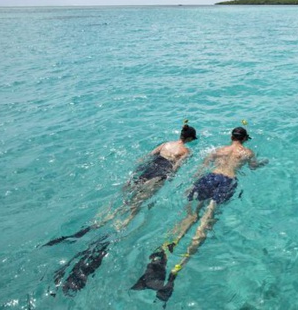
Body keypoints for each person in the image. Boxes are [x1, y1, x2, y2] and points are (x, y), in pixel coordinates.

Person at [44, 120, 197, 296]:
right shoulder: (186, 151)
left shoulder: (166, 144)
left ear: (180, 135)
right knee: (137, 204)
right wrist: (169, 179)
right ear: (190, 139)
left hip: (148, 167)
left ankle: (104, 219)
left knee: (124, 198)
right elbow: (175, 169)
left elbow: (146, 157)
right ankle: (121, 226)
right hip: (160, 173)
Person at [132, 126, 268, 302]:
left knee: (190, 217)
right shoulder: (247, 152)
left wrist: (192, 184)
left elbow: (202, 167)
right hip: (227, 181)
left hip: (209, 178)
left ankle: (164, 252)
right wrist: (263, 162)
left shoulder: (219, 150)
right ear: (244, 139)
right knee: (206, 221)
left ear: (231, 136)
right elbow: (254, 166)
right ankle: (177, 269)